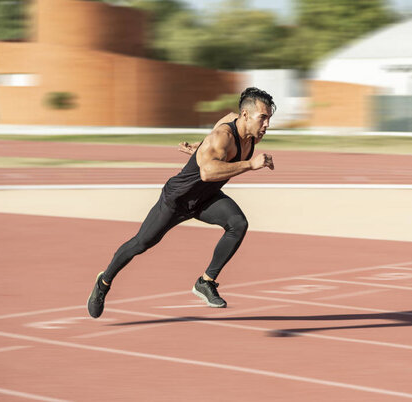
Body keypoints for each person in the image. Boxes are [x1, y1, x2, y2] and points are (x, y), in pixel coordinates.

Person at [88, 87, 276, 317]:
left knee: (238, 223)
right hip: (176, 200)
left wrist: (200, 146)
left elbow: (218, 134)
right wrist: (250, 164)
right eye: (263, 118)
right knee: (141, 244)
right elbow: (207, 172)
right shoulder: (223, 137)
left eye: (269, 118)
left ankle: (205, 282)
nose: (267, 124)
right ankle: (103, 282)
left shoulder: (242, 132)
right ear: (245, 116)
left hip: (205, 199)